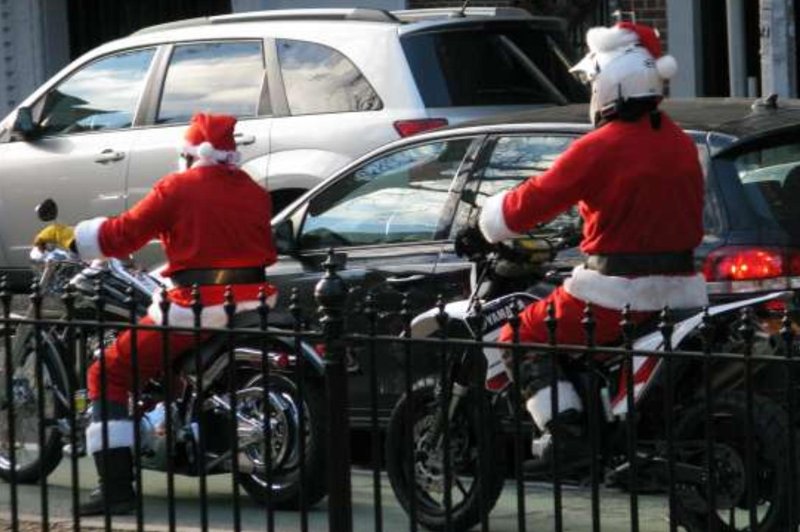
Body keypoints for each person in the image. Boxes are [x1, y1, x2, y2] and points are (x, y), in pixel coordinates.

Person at [460, 22, 709, 468]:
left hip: (618, 292)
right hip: (684, 288)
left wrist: (486, 222)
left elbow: (530, 201)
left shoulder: (599, 146)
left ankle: (568, 436)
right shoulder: (679, 142)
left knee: (521, 334)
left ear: (610, 84)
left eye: (595, 81)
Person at [33, 113, 278, 514]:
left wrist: (72, 237)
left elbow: (122, 235)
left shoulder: (178, 188)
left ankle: (115, 488)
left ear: (191, 153)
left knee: (107, 372)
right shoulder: (254, 191)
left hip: (197, 308)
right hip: (252, 300)